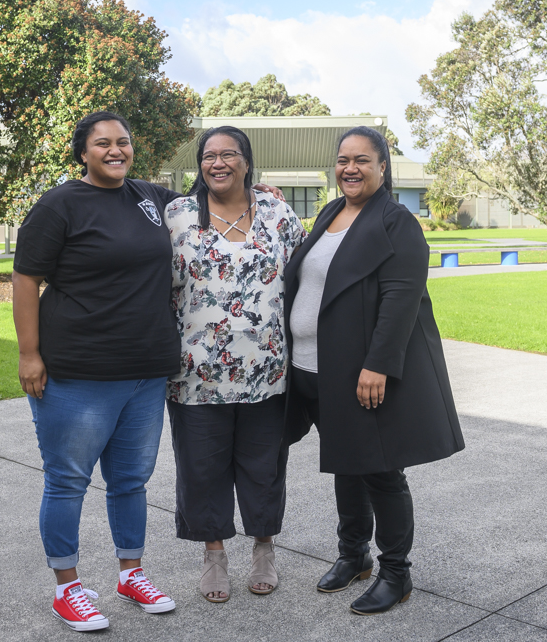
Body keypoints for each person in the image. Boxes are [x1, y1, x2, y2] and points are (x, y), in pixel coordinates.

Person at [283, 125, 465, 616]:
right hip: (312, 368)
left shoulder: (395, 221)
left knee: (382, 472)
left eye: (363, 160)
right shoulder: (330, 213)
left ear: (383, 167)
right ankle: (353, 555)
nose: (350, 168)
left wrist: (377, 365)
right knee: (346, 462)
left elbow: (400, 298)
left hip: (358, 373)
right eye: (343, 160)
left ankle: (396, 573)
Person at [11, 111, 181, 632]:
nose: (115, 150)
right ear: (82, 152)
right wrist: (29, 353)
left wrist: (259, 192)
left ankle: (131, 574)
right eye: (102, 143)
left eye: (123, 142)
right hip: (78, 375)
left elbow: (214, 201)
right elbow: (24, 280)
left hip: (145, 374)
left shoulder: (151, 199)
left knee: (130, 481)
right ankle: (68, 588)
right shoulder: (60, 205)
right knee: (67, 481)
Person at [164, 126, 306, 603]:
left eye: (229, 154)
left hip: (268, 373)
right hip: (195, 375)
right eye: (209, 156)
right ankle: (214, 556)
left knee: (264, 468)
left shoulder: (277, 212)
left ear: (247, 161)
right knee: (202, 470)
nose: (217, 163)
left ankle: (264, 550)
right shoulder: (177, 215)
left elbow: (308, 275)